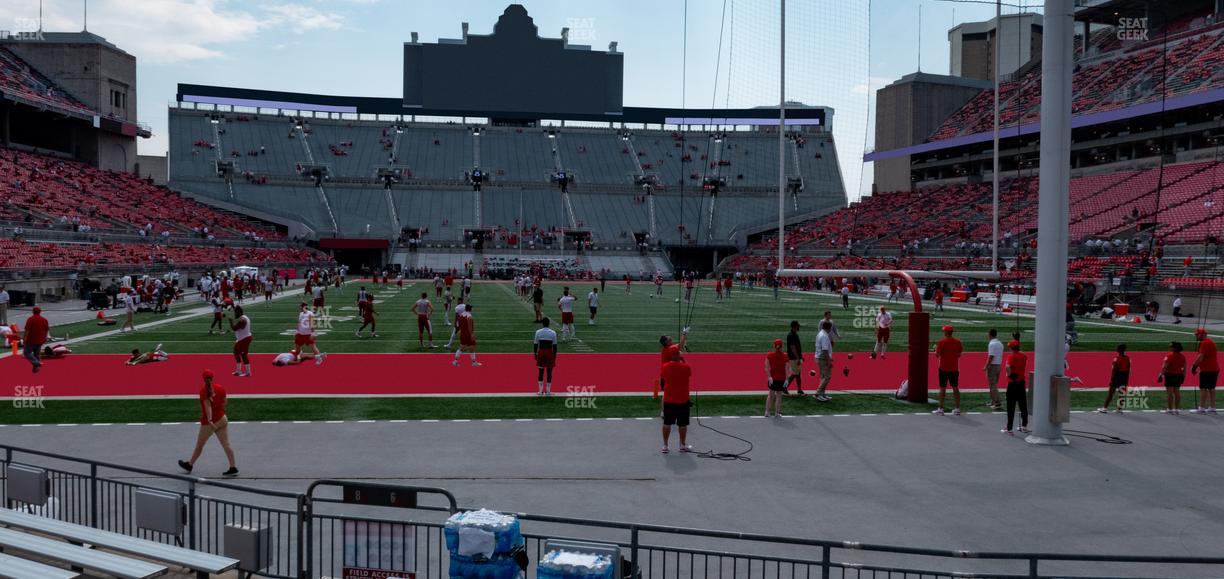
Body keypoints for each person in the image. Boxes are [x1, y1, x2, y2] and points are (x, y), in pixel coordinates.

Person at [178, 370, 239, 477]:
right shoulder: (220, 388)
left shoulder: (203, 391)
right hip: (222, 419)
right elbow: (225, 402)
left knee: (200, 445)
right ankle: (233, 467)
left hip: (209, 423)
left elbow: (208, 407)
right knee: (226, 444)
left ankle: (190, 464)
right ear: (213, 377)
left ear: (203, 379)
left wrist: (210, 421)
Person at [660, 351, 693, 454]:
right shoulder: (686, 367)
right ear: (679, 356)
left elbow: (663, 377)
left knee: (666, 423)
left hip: (669, 399)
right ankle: (682, 445)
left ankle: (665, 445)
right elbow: (689, 372)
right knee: (682, 424)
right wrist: (683, 360)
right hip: (683, 399)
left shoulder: (665, 366)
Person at [933, 325, 963, 416]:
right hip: (954, 368)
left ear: (946, 332)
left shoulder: (941, 342)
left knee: (942, 388)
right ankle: (957, 408)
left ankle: (941, 409)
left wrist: (935, 349)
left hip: (943, 368)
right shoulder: (958, 342)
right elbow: (959, 355)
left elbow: (937, 355)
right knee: (955, 388)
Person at [1001, 340, 1029, 435]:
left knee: (1011, 406)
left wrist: (1009, 374)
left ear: (1011, 348)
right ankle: (1024, 426)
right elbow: (1022, 355)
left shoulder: (1011, 356)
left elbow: (1007, 366)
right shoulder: (1023, 356)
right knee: (1023, 405)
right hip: (1021, 383)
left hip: (1013, 383)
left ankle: (1009, 428)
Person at [1191, 328, 1218, 414]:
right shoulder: (1210, 342)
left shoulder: (1204, 343)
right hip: (1214, 368)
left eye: (1197, 334)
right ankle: (1213, 407)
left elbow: (1200, 357)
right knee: (1211, 388)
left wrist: (1194, 366)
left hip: (1207, 369)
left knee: (1203, 388)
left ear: (1202, 335)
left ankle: (1202, 407)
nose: (1196, 336)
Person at [1098, 344, 1130, 413]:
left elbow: (1115, 370)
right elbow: (1128, 370)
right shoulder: (1128, 358)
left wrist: (1112, 379)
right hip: (1124, 377)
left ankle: (1105, 408)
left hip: (1116, 377)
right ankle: (1119, 409)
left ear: (1119, 350)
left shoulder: (1116, 358)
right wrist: (1126, 380)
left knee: (1110, 393)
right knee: (1122, 394)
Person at [1158, 341, 1187, 415]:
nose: (1169, 348)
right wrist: (1184, 376)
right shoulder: (1182, 356)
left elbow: (1165, 366)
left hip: (1170, 375)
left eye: (1171, 346)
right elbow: (1184, 367)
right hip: (1179, 375)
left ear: (1174, 348)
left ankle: (1170, 409)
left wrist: (1161, 375)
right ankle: (1176, 409)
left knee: (1170, 393)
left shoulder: (1169, 356)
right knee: (1177, 392)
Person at [534, 317, 558, 396]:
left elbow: (535, 344)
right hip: (549, 353)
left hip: (541, 352)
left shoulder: (538, 332)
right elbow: (554, 346)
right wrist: (554, 356)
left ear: (542, 323)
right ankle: (548, 391)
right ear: (549, 323)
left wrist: (535, 354)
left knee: (540, 372)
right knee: (549, 372)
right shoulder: (553, 332)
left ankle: (540, 391)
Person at [765, 338, 788, 417]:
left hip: (773, 379)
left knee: (770, 395)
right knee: (779, 396)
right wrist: (787, 379)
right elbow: (787, 369)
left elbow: (767, 368)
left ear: (774, 346)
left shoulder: (769, 355)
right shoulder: (785, 356)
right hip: (781, 379)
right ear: (782, 346)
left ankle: (767, 412)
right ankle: (777, 413)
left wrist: (769, 377)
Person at [22, 306, 49, 373]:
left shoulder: (30, 319)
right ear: (40, 312)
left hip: (31, 340)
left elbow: (27, 330)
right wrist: (45, 338)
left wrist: (24, 338)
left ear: (33, 311)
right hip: (40, 340)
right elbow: (46, 330)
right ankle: (36, 368)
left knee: (26, 353)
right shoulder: (44, 320)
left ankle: (37, 363)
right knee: (36, 354)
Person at [813, 321, 834, 402]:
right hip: (823, 359)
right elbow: (825, 350)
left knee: (823, 376)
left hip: (819, 357)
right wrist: (829, 361)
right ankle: (818, 393)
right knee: (827, 376)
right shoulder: (824, 336)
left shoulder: (820, 333)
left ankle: (822, 394)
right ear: (828, 328)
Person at [230, 305, 253, 377]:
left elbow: (234, 328)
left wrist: (231, 322)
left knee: (243, 355)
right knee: (236, 352)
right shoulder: (243, 318)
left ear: (239, 312)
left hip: (244, 339)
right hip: (242, 339)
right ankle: (238, 370)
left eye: (235, 313)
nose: (234, 314)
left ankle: (248, 372)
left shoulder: (242, 320)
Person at [984, 329, 1004, 410]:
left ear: (990, 334)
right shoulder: (1000, 343)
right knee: (993, 384)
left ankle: (997, 402)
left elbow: (991, 357)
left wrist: (986, 366)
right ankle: (993, 401)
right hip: (998, 365)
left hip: (993, 366)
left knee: (993, 385)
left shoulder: (991, 344)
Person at [785, 320, 805, 395]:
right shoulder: (791, 335)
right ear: (795, 326)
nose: (799, 327)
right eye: (798, 325)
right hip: (793, 358)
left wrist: (800, 357)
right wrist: (797, 358)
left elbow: (797, 347)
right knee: (794, 374)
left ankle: (799, 389)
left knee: (798, 374)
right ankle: (784, 388)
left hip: (796, 357)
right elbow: (793, 347)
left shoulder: (794, 334)